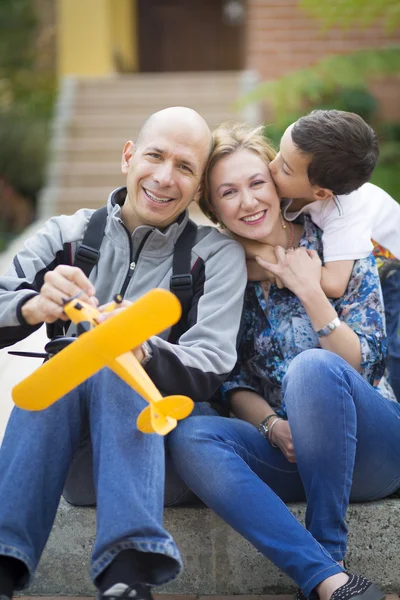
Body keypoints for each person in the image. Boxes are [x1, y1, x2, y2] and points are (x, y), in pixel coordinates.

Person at [0, 108, 247, 600]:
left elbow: (213, 364)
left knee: (112, 360)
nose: (164, 176)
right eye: (154, 156)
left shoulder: (216, 255)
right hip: (72, 462)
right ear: (128, 157)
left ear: (198, 188)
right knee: (73, 359)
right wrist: (32, 305)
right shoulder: (65, 235)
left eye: (184, 166)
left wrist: (140, 346)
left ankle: (128, 576)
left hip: (163, 455)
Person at [168, 123, 400, 600]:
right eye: (228, 192)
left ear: (278, 185)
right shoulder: (222, 273)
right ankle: (326, 580)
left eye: (257, 183)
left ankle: (328, 552)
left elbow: (364, 363)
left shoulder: (338, 241)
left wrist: (310, 290)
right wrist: (273, 425)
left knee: (313, 368)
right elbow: (228, 381)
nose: (248, 201)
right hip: (289, 454)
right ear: (213, 207)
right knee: (190, 432)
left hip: (369, 446)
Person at [244, 110, 400, 399]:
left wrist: (277, 264)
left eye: (286, 168)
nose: (272, 166)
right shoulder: (297, 183)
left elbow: (333, 283)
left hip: (390, 273)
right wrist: (268, 257)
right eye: (279, 153)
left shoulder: (345, 210)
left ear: (321, 193)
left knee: (391, 358)